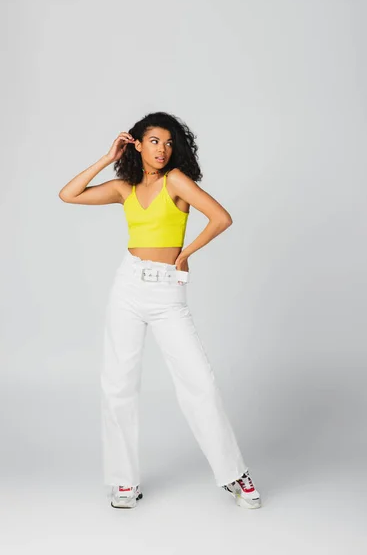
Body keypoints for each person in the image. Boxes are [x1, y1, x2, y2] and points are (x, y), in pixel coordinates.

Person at [59, 111, 262, 510]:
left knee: (198, 383)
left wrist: (186, 253)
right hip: (128, 285)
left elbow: (222, 218)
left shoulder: (177, 181)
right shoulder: (124, 187)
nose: (162, 149)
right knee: (117, 383)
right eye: (153, 141)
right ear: (136, 143)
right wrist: (106, 157)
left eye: (169, 142)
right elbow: (70, 193)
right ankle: (124, 482)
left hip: (167, 291)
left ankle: (234, 473)